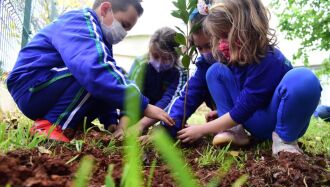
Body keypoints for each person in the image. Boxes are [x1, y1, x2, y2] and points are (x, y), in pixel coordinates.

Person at [6, 0, 174, 142]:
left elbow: (104, 89)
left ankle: (72, 125)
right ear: (105, 9)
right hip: (30, 85)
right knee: (96, 73)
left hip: (43, 87)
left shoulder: (101, 40)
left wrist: (111, 122)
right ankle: (51, 125)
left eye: (128, 29)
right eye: (123, 24)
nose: (123, 33)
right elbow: (94, 72)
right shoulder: (81, 22)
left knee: (107, 76)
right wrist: (143, 105)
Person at [177, 0, 322, 156]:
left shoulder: (270, 60)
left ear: (247, 30)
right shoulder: (236, 59)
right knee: (215, 71)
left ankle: (284, 141)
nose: (220, 45)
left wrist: (200, 130)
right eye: (218, 38)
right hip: (254, 119)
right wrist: (222, 113)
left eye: (225, 36)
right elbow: (242, 99)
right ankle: (233, 131)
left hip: (274, 121)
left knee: (304, 78)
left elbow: (241, 111)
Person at [162, 10, 222, 139]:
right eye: (199, 48)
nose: (205, 53)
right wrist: (166, 130)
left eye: (209, 45)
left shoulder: (239, 61)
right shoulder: (203, 66)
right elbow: (187, 98)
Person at [128, 27, 187, 133]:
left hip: (163, 113)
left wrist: (142, 124)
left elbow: (170, 100)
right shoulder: (140, 64)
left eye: (166, 58)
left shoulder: (180, 71)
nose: (159, 63)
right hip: (139, 109)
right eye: (155, 56)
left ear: (175, 56)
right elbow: (131, 94)